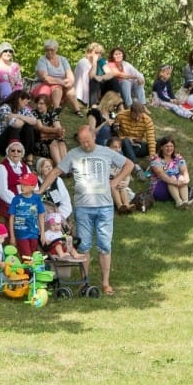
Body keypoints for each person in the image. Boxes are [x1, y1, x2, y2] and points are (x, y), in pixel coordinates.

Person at [56, 125, 133, 296]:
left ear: (94, 137)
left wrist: (115, 181)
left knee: (104, 246)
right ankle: (85, 282)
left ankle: (106, 283)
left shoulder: (106, 151)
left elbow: (129, 164)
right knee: (84, 246)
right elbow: (57, 170)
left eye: (88, 141)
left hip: (104, 206)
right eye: (82, 142)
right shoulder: (74, 154)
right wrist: (40, 189)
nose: (85, 145)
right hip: (83, 207)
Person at [32, 39, 82, 114]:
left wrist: (70, 81)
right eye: (47, 50)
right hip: (45, 84)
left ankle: (77, 109)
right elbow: (45, 78)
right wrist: (60, 82)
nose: (49, 52)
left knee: (70, 87)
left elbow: (69, 73)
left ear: (56, 50)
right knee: (57, 87)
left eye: (51, 50)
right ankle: (56, 108)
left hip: (62, 83)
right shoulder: (42, 60)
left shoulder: (63, 59)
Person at [0, 140, 30, 223]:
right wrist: (19, 202)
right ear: (8, 152)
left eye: (19, 151)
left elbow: (33, 184)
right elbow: (2, 192)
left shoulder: (25, 167)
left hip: (25, 201)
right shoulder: (2, 168)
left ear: (22, 154)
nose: (16, 153)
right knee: (20, 221)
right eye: (13, 150)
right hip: (8, 203)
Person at [7, 172, 46, 258]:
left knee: (33, 257)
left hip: (33, 233)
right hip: (21, 233)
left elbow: (41, 215)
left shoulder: (36, 199)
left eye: (25, 184)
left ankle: (30, 271)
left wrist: (42, 233)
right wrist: (12, 236)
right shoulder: (16, 199)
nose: (22, 186)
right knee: (27, 257)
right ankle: (28, 272)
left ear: (33, 186)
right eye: (21, 184)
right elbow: (11, 217)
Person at [0, 89, 39, 157]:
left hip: (15, 139)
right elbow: (16, 124)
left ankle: (27, 154)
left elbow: (34, 121)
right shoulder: (5, 108)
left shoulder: (24, 109)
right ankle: (14, 153)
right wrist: (25, 120)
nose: (27, 103)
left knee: (29, 127)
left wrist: (18, 116)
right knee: (14, 128)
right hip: (0, 142)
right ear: (20, 99)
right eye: (26, 101)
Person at [149, 136, 193, 209]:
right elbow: (161, 174)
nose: (169, 148)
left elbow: (184, 171)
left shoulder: (178, 157)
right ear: (161, 147)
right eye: (166, 146)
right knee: (172, 177)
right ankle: (178, 202)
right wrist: (176, 182)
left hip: (175, 187)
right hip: (159, 189)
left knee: (181, 177)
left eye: (171, 146)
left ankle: (186, 202)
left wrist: (186, 180)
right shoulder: (155, 159)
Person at [114, 102, 156, 177]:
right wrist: (126, 138)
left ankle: (157, 164)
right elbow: (115, 135)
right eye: (135, 115)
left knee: (160, 142)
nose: (137, 118)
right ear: (130, 112)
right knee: (125, 140)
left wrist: (152, 155)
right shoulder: (120, 116)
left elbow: (151, 139)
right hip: (124, 145)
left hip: (137, 146)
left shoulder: (147, 120)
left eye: (139, 116)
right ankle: (136, 167)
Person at [32, 94, 68, 164]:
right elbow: (41, 128)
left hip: (49, 138)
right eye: (37, 103)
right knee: (53, 142)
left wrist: (60, 132)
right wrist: (55, 131)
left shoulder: (52, 114)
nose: (38, 106)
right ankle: (60, 167)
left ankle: (66, 166)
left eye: (41, 104)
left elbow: (59, 129)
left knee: (61, 141)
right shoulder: (34, 113)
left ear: (47, 105)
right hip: (38, 141)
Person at [73, 43, 105, 107]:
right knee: (95, 79)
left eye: (100, 53)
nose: (99, 55)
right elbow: (91, 77)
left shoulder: (97, 62)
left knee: (112, 80)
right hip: (86, 92)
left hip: (94, 89)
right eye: (96, 52)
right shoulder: (84, 62)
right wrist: (95, 62)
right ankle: (94, 105)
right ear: (89, 52)